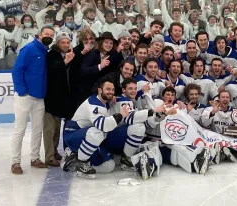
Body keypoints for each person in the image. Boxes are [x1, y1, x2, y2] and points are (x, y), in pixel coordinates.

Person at [62, 78, 163, 178]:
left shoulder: (108, 101)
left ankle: (76, 160)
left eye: (112, 90)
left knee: (108, 166)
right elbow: (102, 125)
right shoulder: (94, 103)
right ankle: (80, 161)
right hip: (74, 134)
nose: (111, 92)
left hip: (93, 138)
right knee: (98, 132)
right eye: (108, 89)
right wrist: (151, 111)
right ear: (100, 90)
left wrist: (158, 117)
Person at [10, 26, 55, 174]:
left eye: (51, 35)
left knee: (37, 129)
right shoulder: (29, 49)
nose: (48, 36)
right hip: (25, 96)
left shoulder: (45, 51)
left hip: (39, 97)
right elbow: (17, 70)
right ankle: (15, 162)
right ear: (39, 35)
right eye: (46, 34)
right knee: (20, 129)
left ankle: (35, 158)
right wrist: (22, 91)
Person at [43, 32, 76, 167]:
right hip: (51, 98)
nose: (66, 45)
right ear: (58, 43)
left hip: (60, 99)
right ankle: (49, 156)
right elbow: (53, 69)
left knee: (56, 127)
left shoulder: (66, 55)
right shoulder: (52, 55)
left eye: (68, 42)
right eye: (63, 42)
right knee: (50, 129)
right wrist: (66, 61)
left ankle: (55, 151)